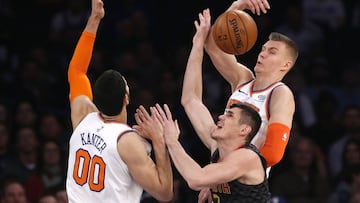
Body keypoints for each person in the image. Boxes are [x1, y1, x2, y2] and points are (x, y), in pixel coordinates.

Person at [65, 0, 173, 202]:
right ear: (126, 98)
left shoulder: (83, 116)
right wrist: (159, 141)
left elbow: (77, 70)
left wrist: (95, 18)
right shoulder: (127, 141)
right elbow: (164, 193)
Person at [168, 8, 269, 202]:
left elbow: (196, 179)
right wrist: (197, 44)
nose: (220, 116)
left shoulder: (247, 158)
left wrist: (172, 141)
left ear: (244, 130)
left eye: (230, 115)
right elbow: (190, 99)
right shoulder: (219, 146)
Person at [203, 0, 299, 170]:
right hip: (222, 173)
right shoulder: (243, 79)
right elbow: (212, 46)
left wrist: (229, 171)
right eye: (263, 49)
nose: (262, 54)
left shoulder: (280, 93)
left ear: (285, 65)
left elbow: (274, 153)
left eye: (272, 52)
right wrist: (236, 8)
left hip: (247, 186)